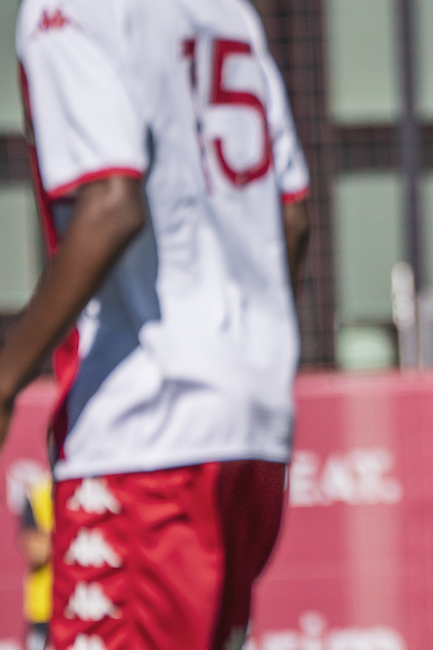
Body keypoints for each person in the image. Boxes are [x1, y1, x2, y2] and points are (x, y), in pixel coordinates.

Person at [0, 1, 310, 648]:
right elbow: (293, 218)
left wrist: (5, 380)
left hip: (147, 427)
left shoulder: (65, 10)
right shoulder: (229, 13)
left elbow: (112, 204)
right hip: (254, 423)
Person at [18, 476, 53, 650]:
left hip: (81, 604)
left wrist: (47, 536)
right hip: (44, 610)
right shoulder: (37, 494)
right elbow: (36, 551)